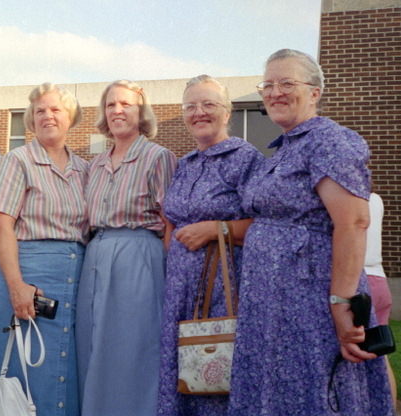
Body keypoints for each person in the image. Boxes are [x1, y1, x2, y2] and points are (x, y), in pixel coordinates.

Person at [228, 49, 394, 415]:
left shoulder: (327, 141)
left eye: (287, 83)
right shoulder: (286, 148)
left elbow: (353, 221)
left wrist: (341, 303)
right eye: (267, 84)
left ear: (315, 92)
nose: (274, 92)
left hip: (310, 300)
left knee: (315, 389)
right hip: (272, 305)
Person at [0, 82, 88, 416]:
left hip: (73, 280)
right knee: (23, 369)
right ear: (30, 120)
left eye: (55, 109)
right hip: (28, 276)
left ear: (70, 118)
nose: (47, 116)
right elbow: (0, 225)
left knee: (62, 369)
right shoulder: (18, 160)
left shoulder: (84, 169)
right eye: (39, 111)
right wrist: (16, 285)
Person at [157, 75, 264, 415]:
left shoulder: (244, 158)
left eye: (208, 104)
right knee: (185, 372)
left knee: (217, 366)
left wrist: (213, 229)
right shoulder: (185, 164)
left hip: (224, 287)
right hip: (180, 289)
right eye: (191, 106)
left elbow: (265, 226)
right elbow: (172, 217)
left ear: (228, 110)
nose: (198, 112)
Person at [76, 80, 177, 416]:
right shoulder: (96, 164)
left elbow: (169, 222)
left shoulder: (157, 156)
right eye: (110, 105)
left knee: (132, 347)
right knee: (94, 346)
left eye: (126, 105)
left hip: (138, 257)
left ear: (141, 111)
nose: (117, 111)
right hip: (96, 256)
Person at [364, 191, 397, 408]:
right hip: (379, 279)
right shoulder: (375, 199)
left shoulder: (348, 197)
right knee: (380, 352)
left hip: (358, 281)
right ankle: (389, 408)